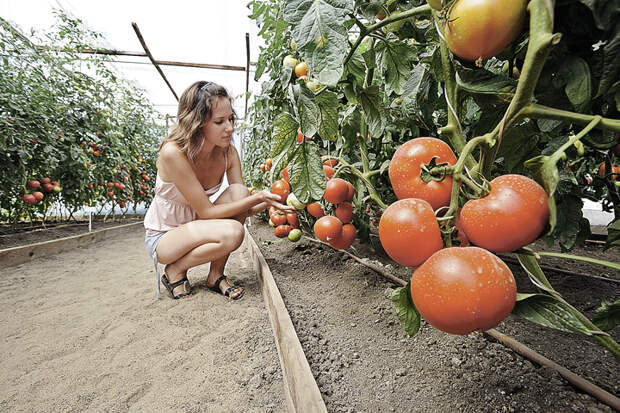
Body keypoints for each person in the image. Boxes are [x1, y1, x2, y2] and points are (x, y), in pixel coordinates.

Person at [144, 80, 293, 300]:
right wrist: (257, 198)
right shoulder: (173, 153)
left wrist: (270, 199)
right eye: (219, 121)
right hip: (166, 236)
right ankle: (175, 269)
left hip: (200, 226)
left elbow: (241, 208)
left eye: (231, 119)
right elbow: (206, 212)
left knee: (240, 192)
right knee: (234, 233)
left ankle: (215, 275)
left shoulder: (228, 153)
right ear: (197, 123)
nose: (230, 128)